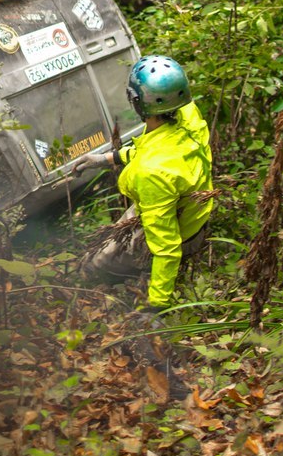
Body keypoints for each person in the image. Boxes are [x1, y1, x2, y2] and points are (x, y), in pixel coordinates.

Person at [75, 55, 213, 311]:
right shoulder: (188, 114)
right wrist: (108, 158)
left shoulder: (151, 173)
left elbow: (167, 247)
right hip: (193, 208)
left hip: (180, 227)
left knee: (91, 266)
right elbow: (157, 148)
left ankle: (123, 279)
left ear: (137, 103)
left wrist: (157, 305)